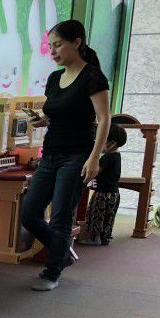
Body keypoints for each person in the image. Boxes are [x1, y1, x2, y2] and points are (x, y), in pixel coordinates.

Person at [22, 19, 111, 290]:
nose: (53, 51)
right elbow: (58, 114)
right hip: (50, 155)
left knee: (61, 216)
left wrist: (94, 158)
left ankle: (52, 272)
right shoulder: (54, 78)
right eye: (50, 46)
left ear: (77, 42)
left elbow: (104, 119)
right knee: (29, 214)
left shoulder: (93, 77)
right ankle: (62, 255)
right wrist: (42, 120)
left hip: (77, 156)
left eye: (58, 45)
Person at [79, 122, 127, 246]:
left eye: (102, 141)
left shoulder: (107, 158)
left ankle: (95, 238)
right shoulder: (117, 156)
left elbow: (94, 172)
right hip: (114, 194)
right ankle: (103, 238)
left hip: (103, 194)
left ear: (112, 144)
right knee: (107, 217)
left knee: (96, 215)